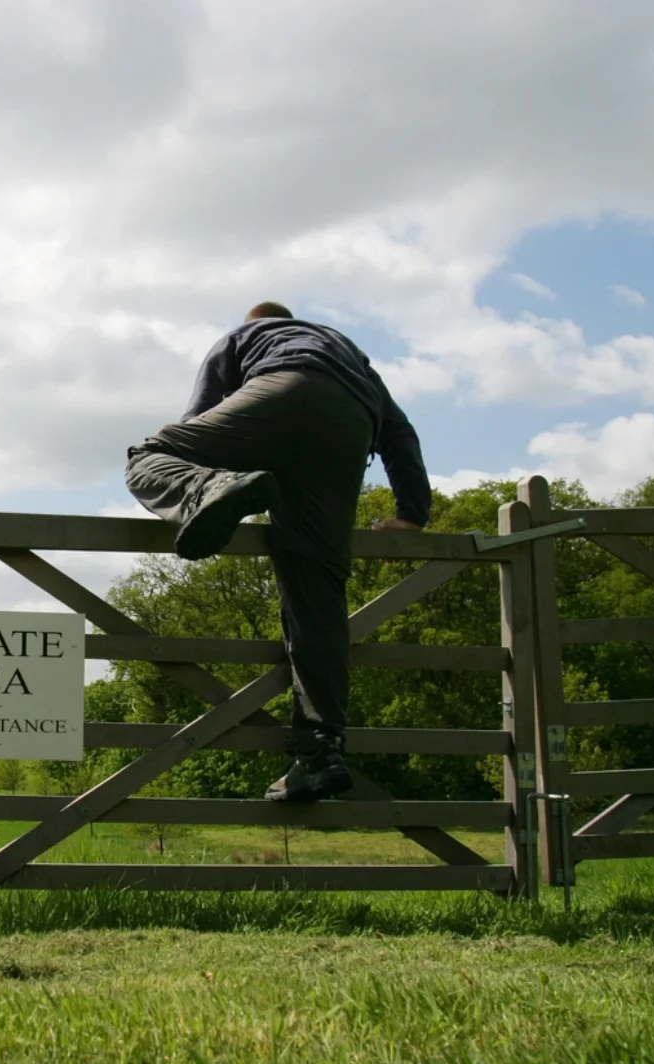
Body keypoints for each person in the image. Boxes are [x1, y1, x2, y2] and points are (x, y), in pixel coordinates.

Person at [124, 301, 431, 802]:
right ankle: (320, 755)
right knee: (317, 594)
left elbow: (200, 417)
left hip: (281, 391)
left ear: (257, 321)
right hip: (349, 421)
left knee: (149, 457)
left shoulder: (244, 335)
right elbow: (399, 432)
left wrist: (207, 477)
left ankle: (208, 489)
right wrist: (412, 514)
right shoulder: (348, 351)